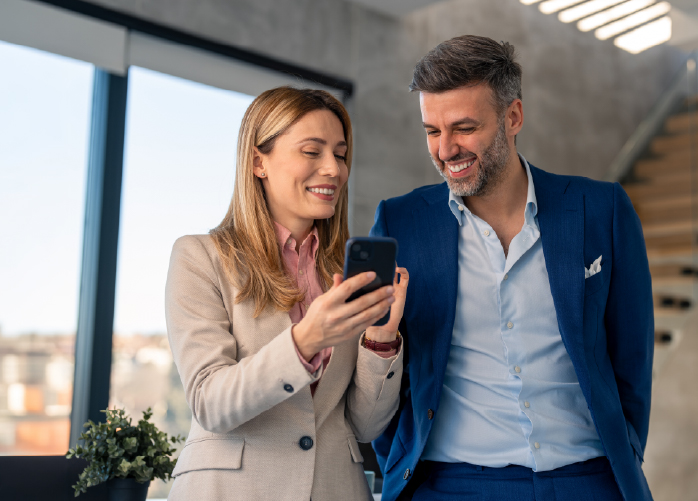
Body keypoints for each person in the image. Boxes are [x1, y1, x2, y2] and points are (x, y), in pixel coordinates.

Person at [370, 36, 654, 501]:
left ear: (513, 117)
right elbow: (380, 372)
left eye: (464, 128)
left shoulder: (602, 210)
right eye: (431, 131)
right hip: (451, 484)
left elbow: (632, 362)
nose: (445, 150)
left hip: (587, 481)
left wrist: (623, 456)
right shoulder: (401, 223)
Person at [165, 86, 409, 501]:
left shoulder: (343, 276)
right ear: (259, 161)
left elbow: (366, 427)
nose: (333, 169)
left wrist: (381, 340)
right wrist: (306, 339)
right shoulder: (200, 257)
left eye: (341, 153)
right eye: (312, 152)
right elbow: (210, 403)